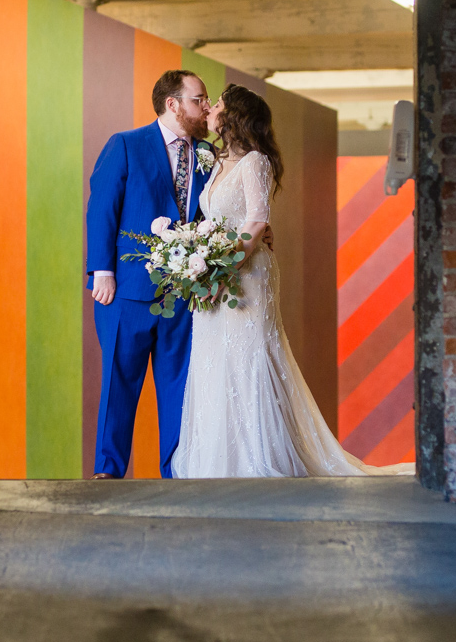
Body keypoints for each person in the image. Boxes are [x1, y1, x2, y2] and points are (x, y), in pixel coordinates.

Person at [171, 84, 412, 479]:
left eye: (218, 104)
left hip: (246, 277)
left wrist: (222, 270)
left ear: (234, 116)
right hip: (216, 277)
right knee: (216, 361)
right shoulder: (215, 163)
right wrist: (199, 265)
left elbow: (256, 220)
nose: (211, 109)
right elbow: (216, 221)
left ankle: (261, 457)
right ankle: (219, 461)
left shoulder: (255, 162)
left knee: (251, 358)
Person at [85, 70, 213, 478]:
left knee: (179, 390)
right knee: (119, 386)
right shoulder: (125, 145)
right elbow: (102, 208)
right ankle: (108, 470)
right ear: (172, 104)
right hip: (126, 293)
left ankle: (175, 471)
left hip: (185, 294)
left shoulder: (208, 155)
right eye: (199, 99)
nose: (206, 107)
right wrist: (102, 270)